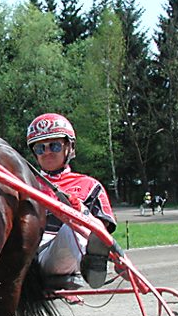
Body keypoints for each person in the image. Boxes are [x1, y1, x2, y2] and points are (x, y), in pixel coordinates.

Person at [27, 113, 117, 289]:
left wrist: (79, 212)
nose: (47, 152)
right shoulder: (24, 184)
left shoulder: (89, 185)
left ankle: (93, 266)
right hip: (28, 256)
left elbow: (103, 229)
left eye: (54, 146)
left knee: (73, 227)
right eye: (40, 148)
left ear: (69, 147)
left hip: (64, 253)